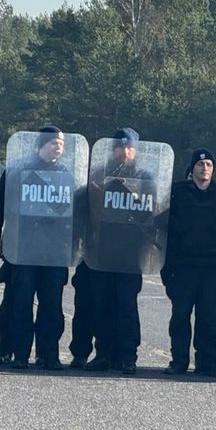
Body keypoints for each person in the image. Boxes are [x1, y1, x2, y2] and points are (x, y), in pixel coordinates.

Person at [0, 126, 80, 370]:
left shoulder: (66, 175)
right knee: (20, 304)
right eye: (54, 143)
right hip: (24, 248)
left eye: (61, 144)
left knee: (52, 306)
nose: (58, 147)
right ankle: (20, 354)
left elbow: (75, 214)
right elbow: (0, 205)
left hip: (53, 252)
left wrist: (75, 242)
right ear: (41, 145)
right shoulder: (19, 172)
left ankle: (48, 355)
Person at [71, 128, 154, 375]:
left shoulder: (145, 178)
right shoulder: (98, 175)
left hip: (129, 254)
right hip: (101, 252)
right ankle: (104, 353)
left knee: (127, 306)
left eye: (129, 147)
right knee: (102, 304)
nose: (124, 152)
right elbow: (83, 209)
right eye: (120, 147)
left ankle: (127, 356)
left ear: (135, 150)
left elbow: (151, 215)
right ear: (113, 150)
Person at [163, 148, 216, 376]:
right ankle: (179, 361)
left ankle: (209, 362)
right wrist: (168, 267)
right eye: (200, 164)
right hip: (183, 266)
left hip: (213, 267)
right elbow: (167, 229)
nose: (205, 168)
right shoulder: (177, 192)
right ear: (192, 168)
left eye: (209, 165)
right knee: (180, 316)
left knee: (210, 318)